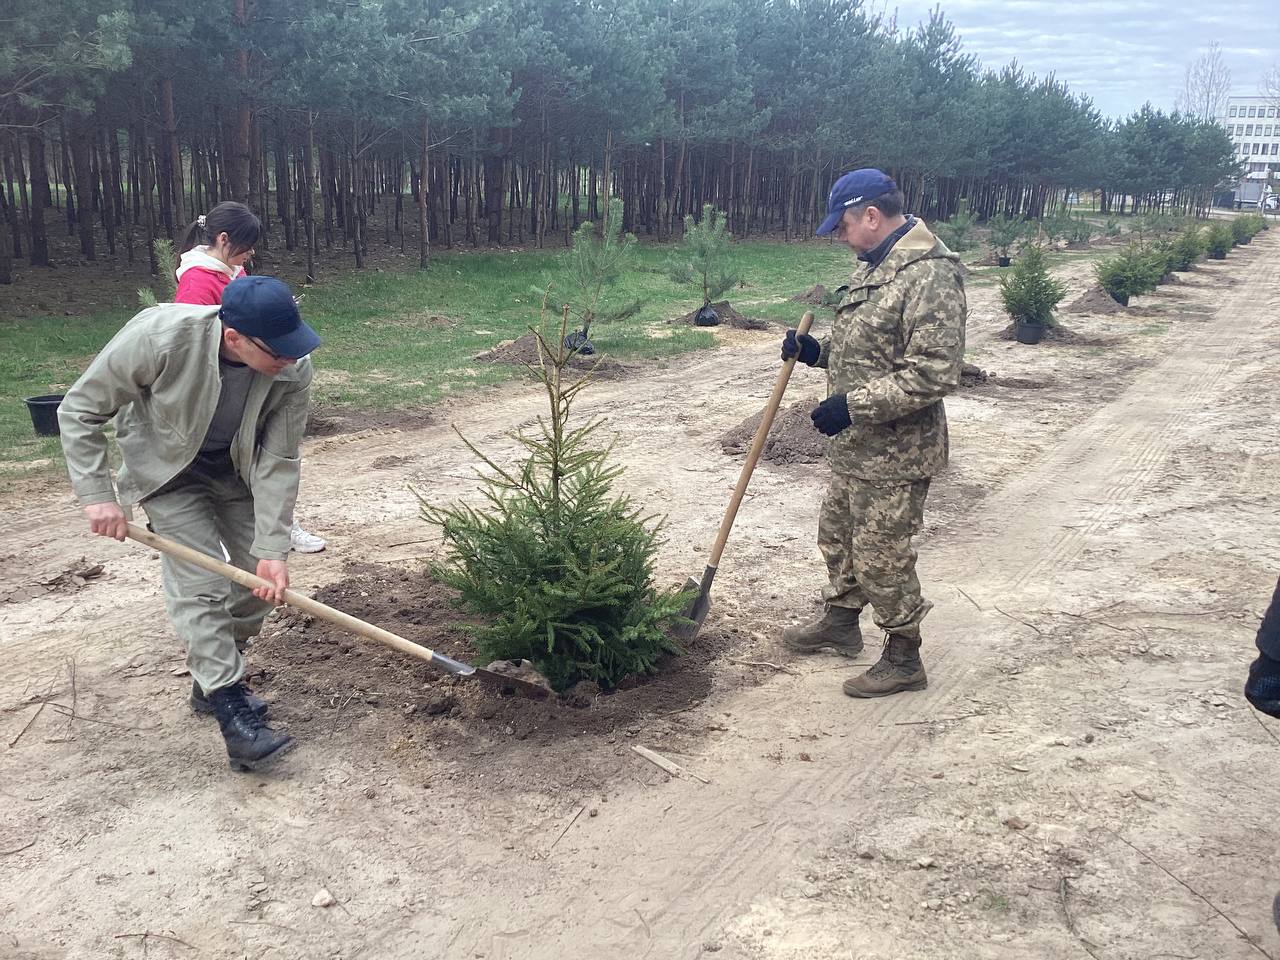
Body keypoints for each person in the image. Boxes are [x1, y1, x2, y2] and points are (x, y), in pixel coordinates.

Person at [59, 276, 321, 770]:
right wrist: (98, 495)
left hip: (237, 475)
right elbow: (80, 409)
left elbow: (279, 460)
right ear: (234, 338)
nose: (291, 356)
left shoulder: (293, 370)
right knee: (199, 583)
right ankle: (230, 705)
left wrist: (273, 549)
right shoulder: (161, 337)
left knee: (256, 582)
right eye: (278, 349)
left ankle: (211, 672)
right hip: (168, 474)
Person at [779, 169, 966, 698]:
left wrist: (851, 405)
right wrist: (817, 354)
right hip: (857, 447)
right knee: (837, 536)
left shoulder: (930, 275)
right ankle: (840, 624)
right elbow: (864, 348)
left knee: (882, 554)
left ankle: (904, 657)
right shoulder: (877, 267)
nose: (839, 237)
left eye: (841, 226)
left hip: (897, 453)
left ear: (871, 215)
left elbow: (933, 372)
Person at [175, 201, 328, 555]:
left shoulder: (233, 272)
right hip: (225, 390)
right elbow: (197, 346)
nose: (252, 251)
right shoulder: (198, 282)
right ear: (224, 239)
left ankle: (280, 527)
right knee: (242, 463)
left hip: (255, 381)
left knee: (271, 455)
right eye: (247, 244)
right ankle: (232, 539)